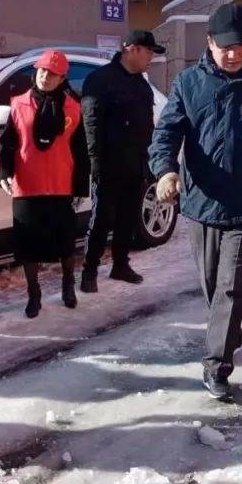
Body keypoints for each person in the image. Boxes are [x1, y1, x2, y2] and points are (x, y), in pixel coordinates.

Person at [149, 3, 242, 400]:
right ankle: (228, 331)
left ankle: (217, 364)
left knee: (231, 285)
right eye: (225, 47)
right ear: (210, 42)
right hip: (202, 200)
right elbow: (166, 133)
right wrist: (165, 170)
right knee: (213, 285)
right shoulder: (188, 83)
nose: (233, 55)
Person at [0, 50, 90, 317]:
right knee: (28, 245)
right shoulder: (18, 104)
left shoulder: (73, 107)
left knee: (64, 243)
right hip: (27, 185)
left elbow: (81, 150)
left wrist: (80, 188)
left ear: (62, 78)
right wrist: (5, 171)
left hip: (60, 185)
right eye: (41, 71)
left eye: (52, 73)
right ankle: (34, 293)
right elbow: (8, 144)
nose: (45, 76)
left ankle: (67, 286)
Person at [79, 30, 163, 292]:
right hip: (108, 162)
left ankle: (120, 264)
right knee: (101, 219)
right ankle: (89, 271)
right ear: (133, 49)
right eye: (149, 52)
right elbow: (91, 124)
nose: (152, 58)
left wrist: (149, 160)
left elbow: (147, 125)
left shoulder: (141, 85)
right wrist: (96, 163)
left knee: (128, 217)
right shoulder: (100, 80)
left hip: (135, 161)